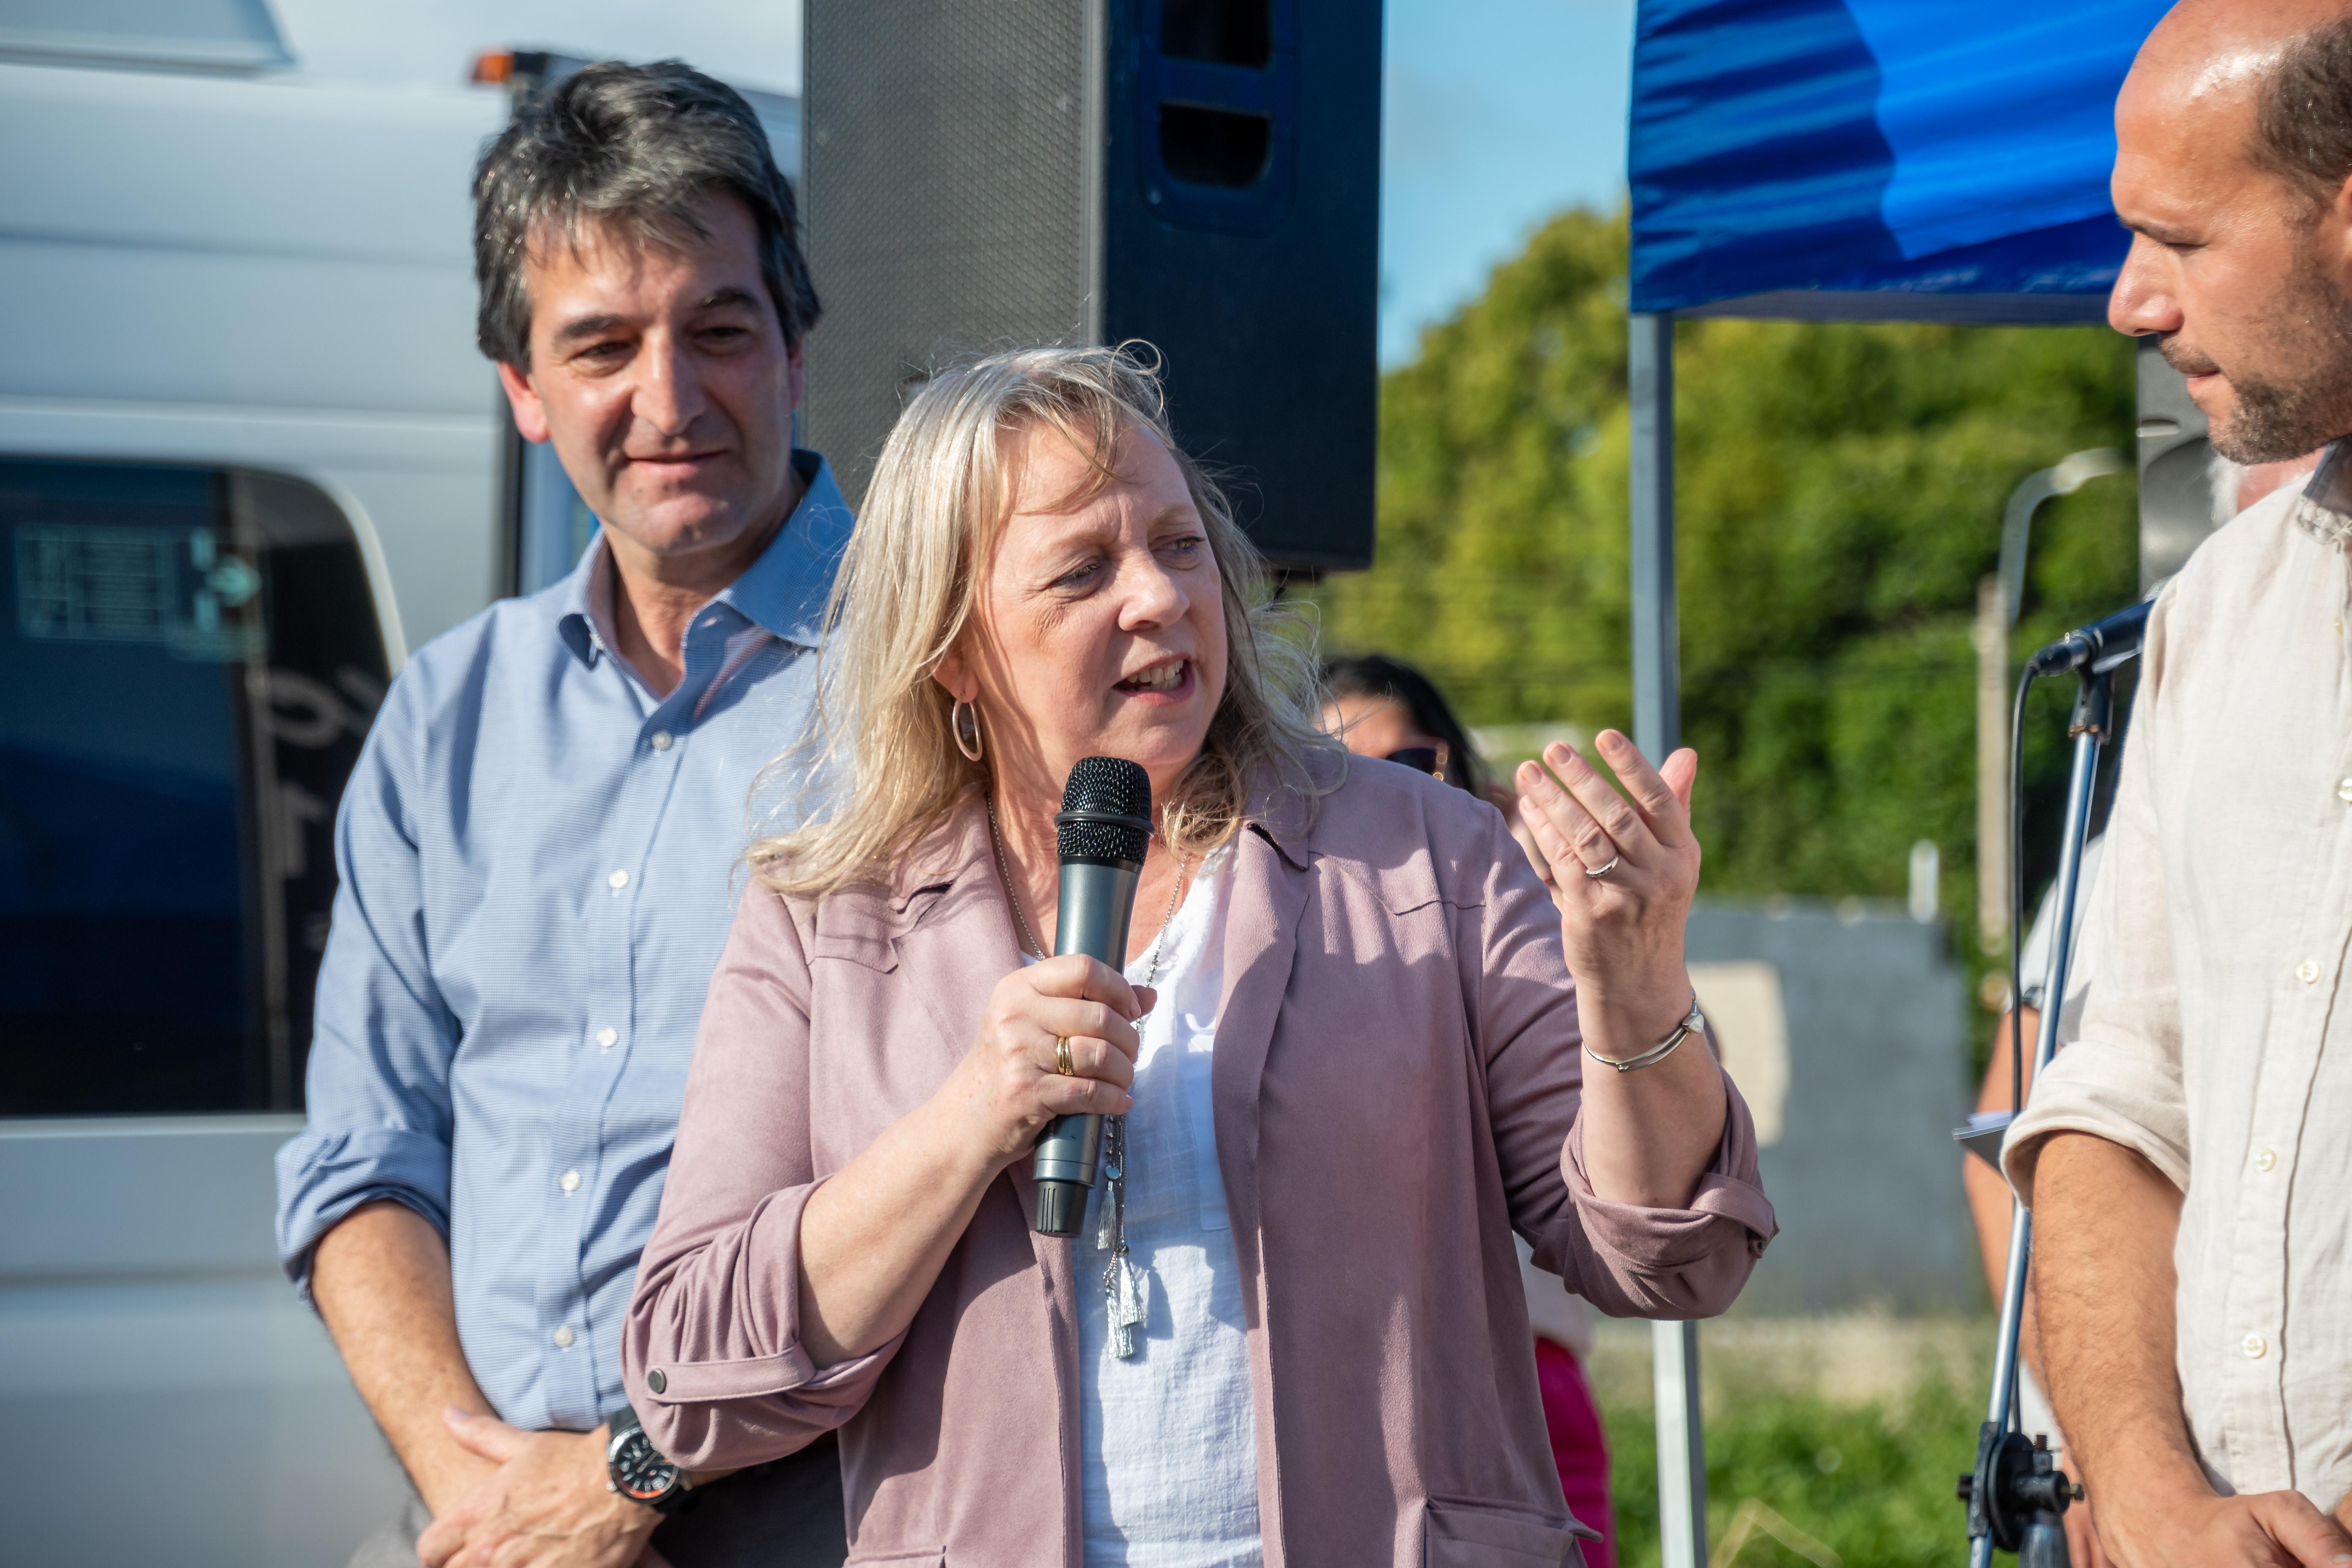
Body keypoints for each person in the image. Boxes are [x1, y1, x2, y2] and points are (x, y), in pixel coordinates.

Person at [620, 345, 1775, 1567]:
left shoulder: (1422, 850)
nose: (1160, 598)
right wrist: (967, 1122)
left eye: (1178, 546)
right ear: (952, 647)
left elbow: (1671, 1253)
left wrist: (1634, 978)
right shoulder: (827, 920)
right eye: (1081, 569)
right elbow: (692, 1373)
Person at [272, 63, 852, 1568]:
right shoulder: (445, 714)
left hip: (837, 1525)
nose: (667, 400)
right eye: (599, 345)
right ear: (523, 391)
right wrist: (491, 1495)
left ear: (793, 339)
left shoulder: (943, 679)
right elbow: (364, 1155)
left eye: (716, 330)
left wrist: (628, 1477)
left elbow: (969, 1166)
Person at [2001, 4, 2352, 1563]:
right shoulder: (2214, 608)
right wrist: (2137, 1492)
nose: (2124, 302)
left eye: (2176, 236)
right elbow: (2113, 1096)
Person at [1319, 654, 1616, 1567]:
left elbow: (1668, 1141)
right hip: (1351, 1397)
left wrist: (1595, 940)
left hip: (1525, 1373)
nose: (1385, 808)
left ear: (1476, 791)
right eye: (1339, 781)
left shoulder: (1538, 933)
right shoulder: (1303, 970)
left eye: (1411, 770)